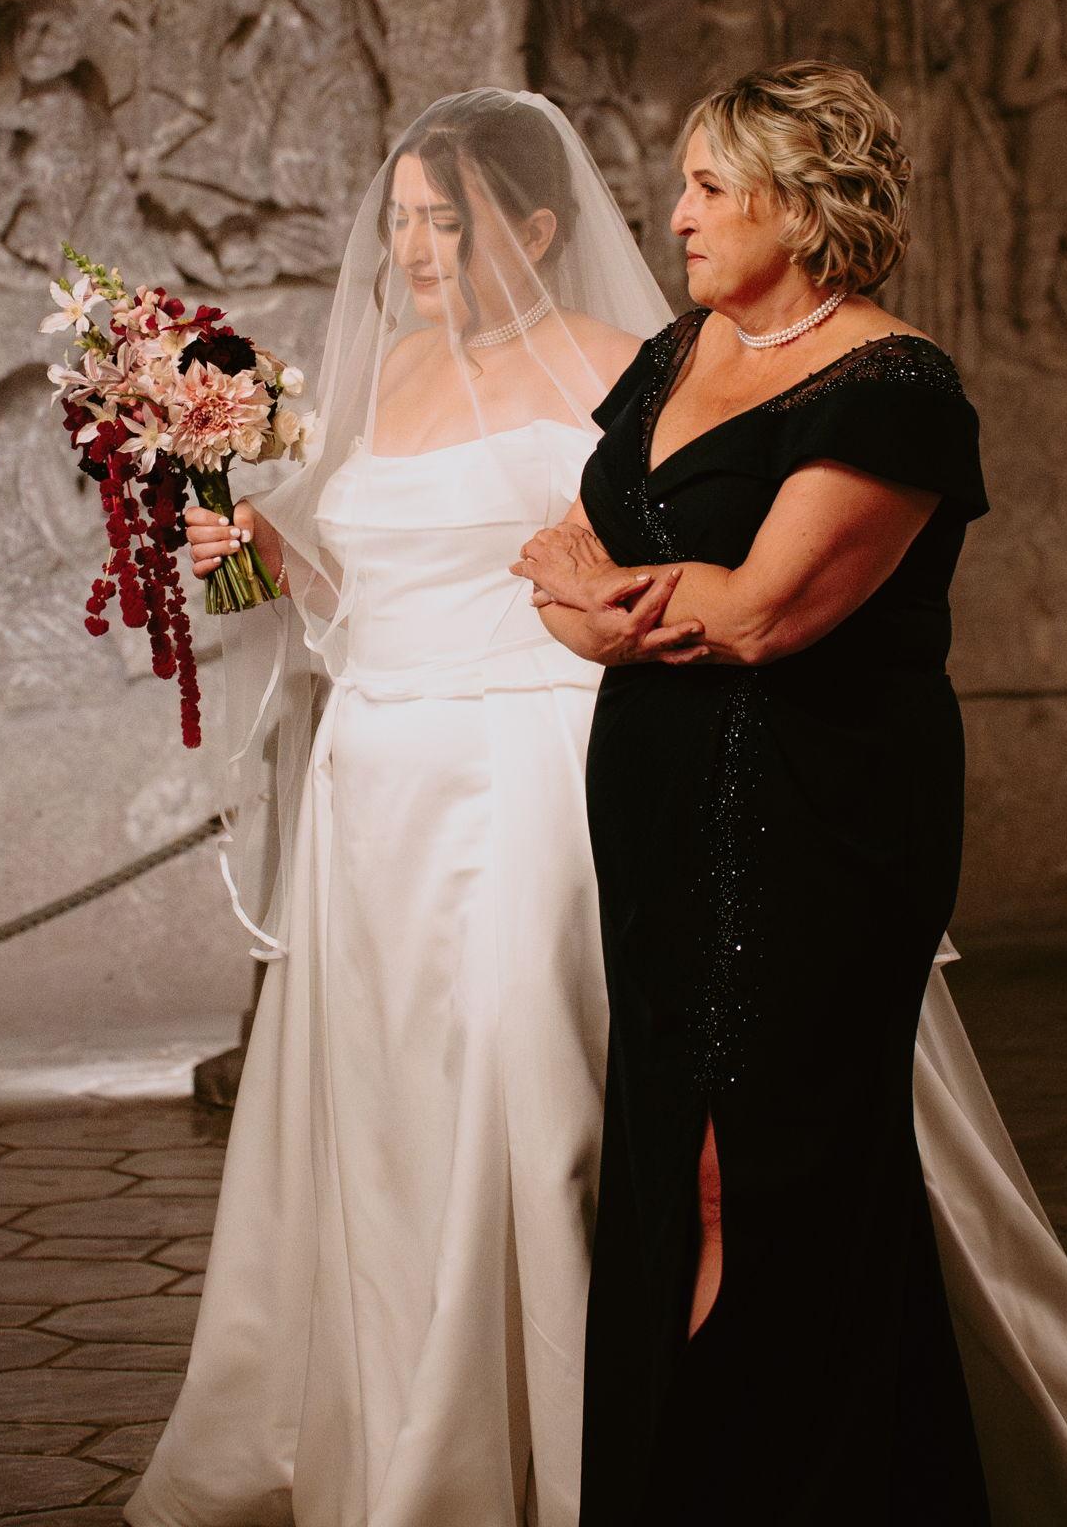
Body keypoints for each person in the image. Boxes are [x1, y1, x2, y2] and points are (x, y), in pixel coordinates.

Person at [515, 61, 1067, 1527]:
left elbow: (761, 617)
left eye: (706, 187)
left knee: (773, 1159)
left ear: (799, 208)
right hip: (655, 807)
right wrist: (607, 601)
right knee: (666, 1147)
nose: (671, 215)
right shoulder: (677, 354)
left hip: (819, 820)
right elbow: (556, 562)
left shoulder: (896, 390)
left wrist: (606, 594)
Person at [125, 90, 690, 1527]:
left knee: (526, 1089)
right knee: (391, 1119)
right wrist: (246, 541)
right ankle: (403, 1438)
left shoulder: (622, 369)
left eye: (449, 221)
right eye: (402, 224)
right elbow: (340, 603)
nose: (416, 251)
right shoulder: (386, 378)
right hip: (374, 776)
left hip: (532, 766)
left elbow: (655, 577)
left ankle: (559, 1446)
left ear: (540, 229)